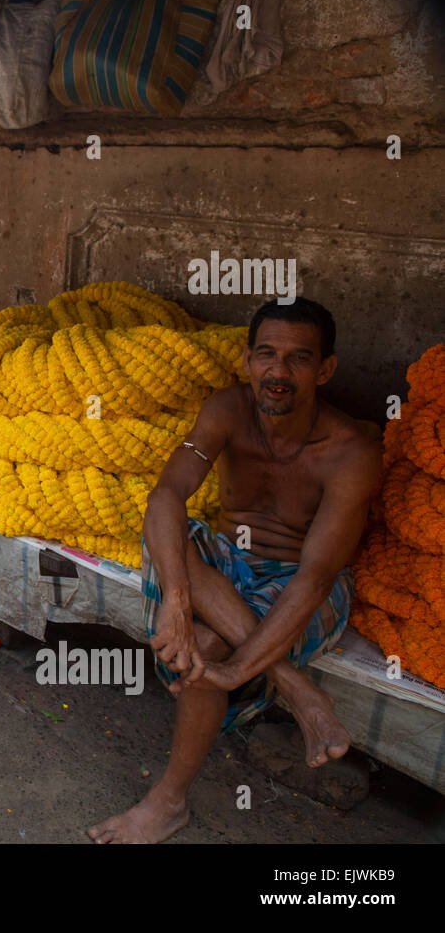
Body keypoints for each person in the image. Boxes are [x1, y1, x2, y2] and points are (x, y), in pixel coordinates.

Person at [88, 297, 382, 844]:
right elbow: (166, 495)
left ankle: (168, 802)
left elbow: (316, 577)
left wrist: (209, 632)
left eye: (299, 358)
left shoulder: (351, 452)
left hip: (300, 585)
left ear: (326, 369)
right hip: (223, 565)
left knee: (206, 643)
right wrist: (176, 596)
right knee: (168, 524)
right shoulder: (227, 409)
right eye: (267, 354)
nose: (279, 371)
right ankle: (294, 688)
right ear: (248, 359)